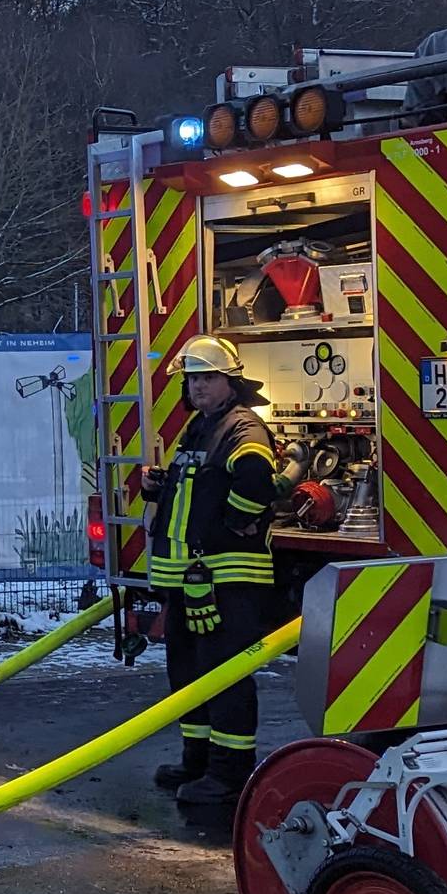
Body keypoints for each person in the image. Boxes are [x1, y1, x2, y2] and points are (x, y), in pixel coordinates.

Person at [135, 336, 293, 806]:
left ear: (231, 382)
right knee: (189, 671)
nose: (198, 386)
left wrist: (232, 524)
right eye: (193, 379)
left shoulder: (241, 428)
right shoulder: (201, 426)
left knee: (224, 675)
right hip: (193, 577)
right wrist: (158, 487)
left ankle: (229, 774)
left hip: (226, 578)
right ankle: (197, 759)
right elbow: (201, 488)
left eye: (207, 378)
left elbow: (254, 483)